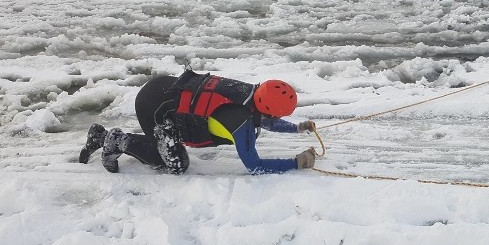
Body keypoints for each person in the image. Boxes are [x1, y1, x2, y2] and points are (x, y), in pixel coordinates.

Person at [79, 70, 318, 175]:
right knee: (176, 164)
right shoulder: (240, 122)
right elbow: (254, 166)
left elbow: (265, 120)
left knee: (169, 150)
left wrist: (297, 128)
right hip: (155, 106)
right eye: (280, 116)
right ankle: (112, 139)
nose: (277, 120)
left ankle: (102, 135)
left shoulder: (251, 95)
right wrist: (296, 163)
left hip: (164, 89)